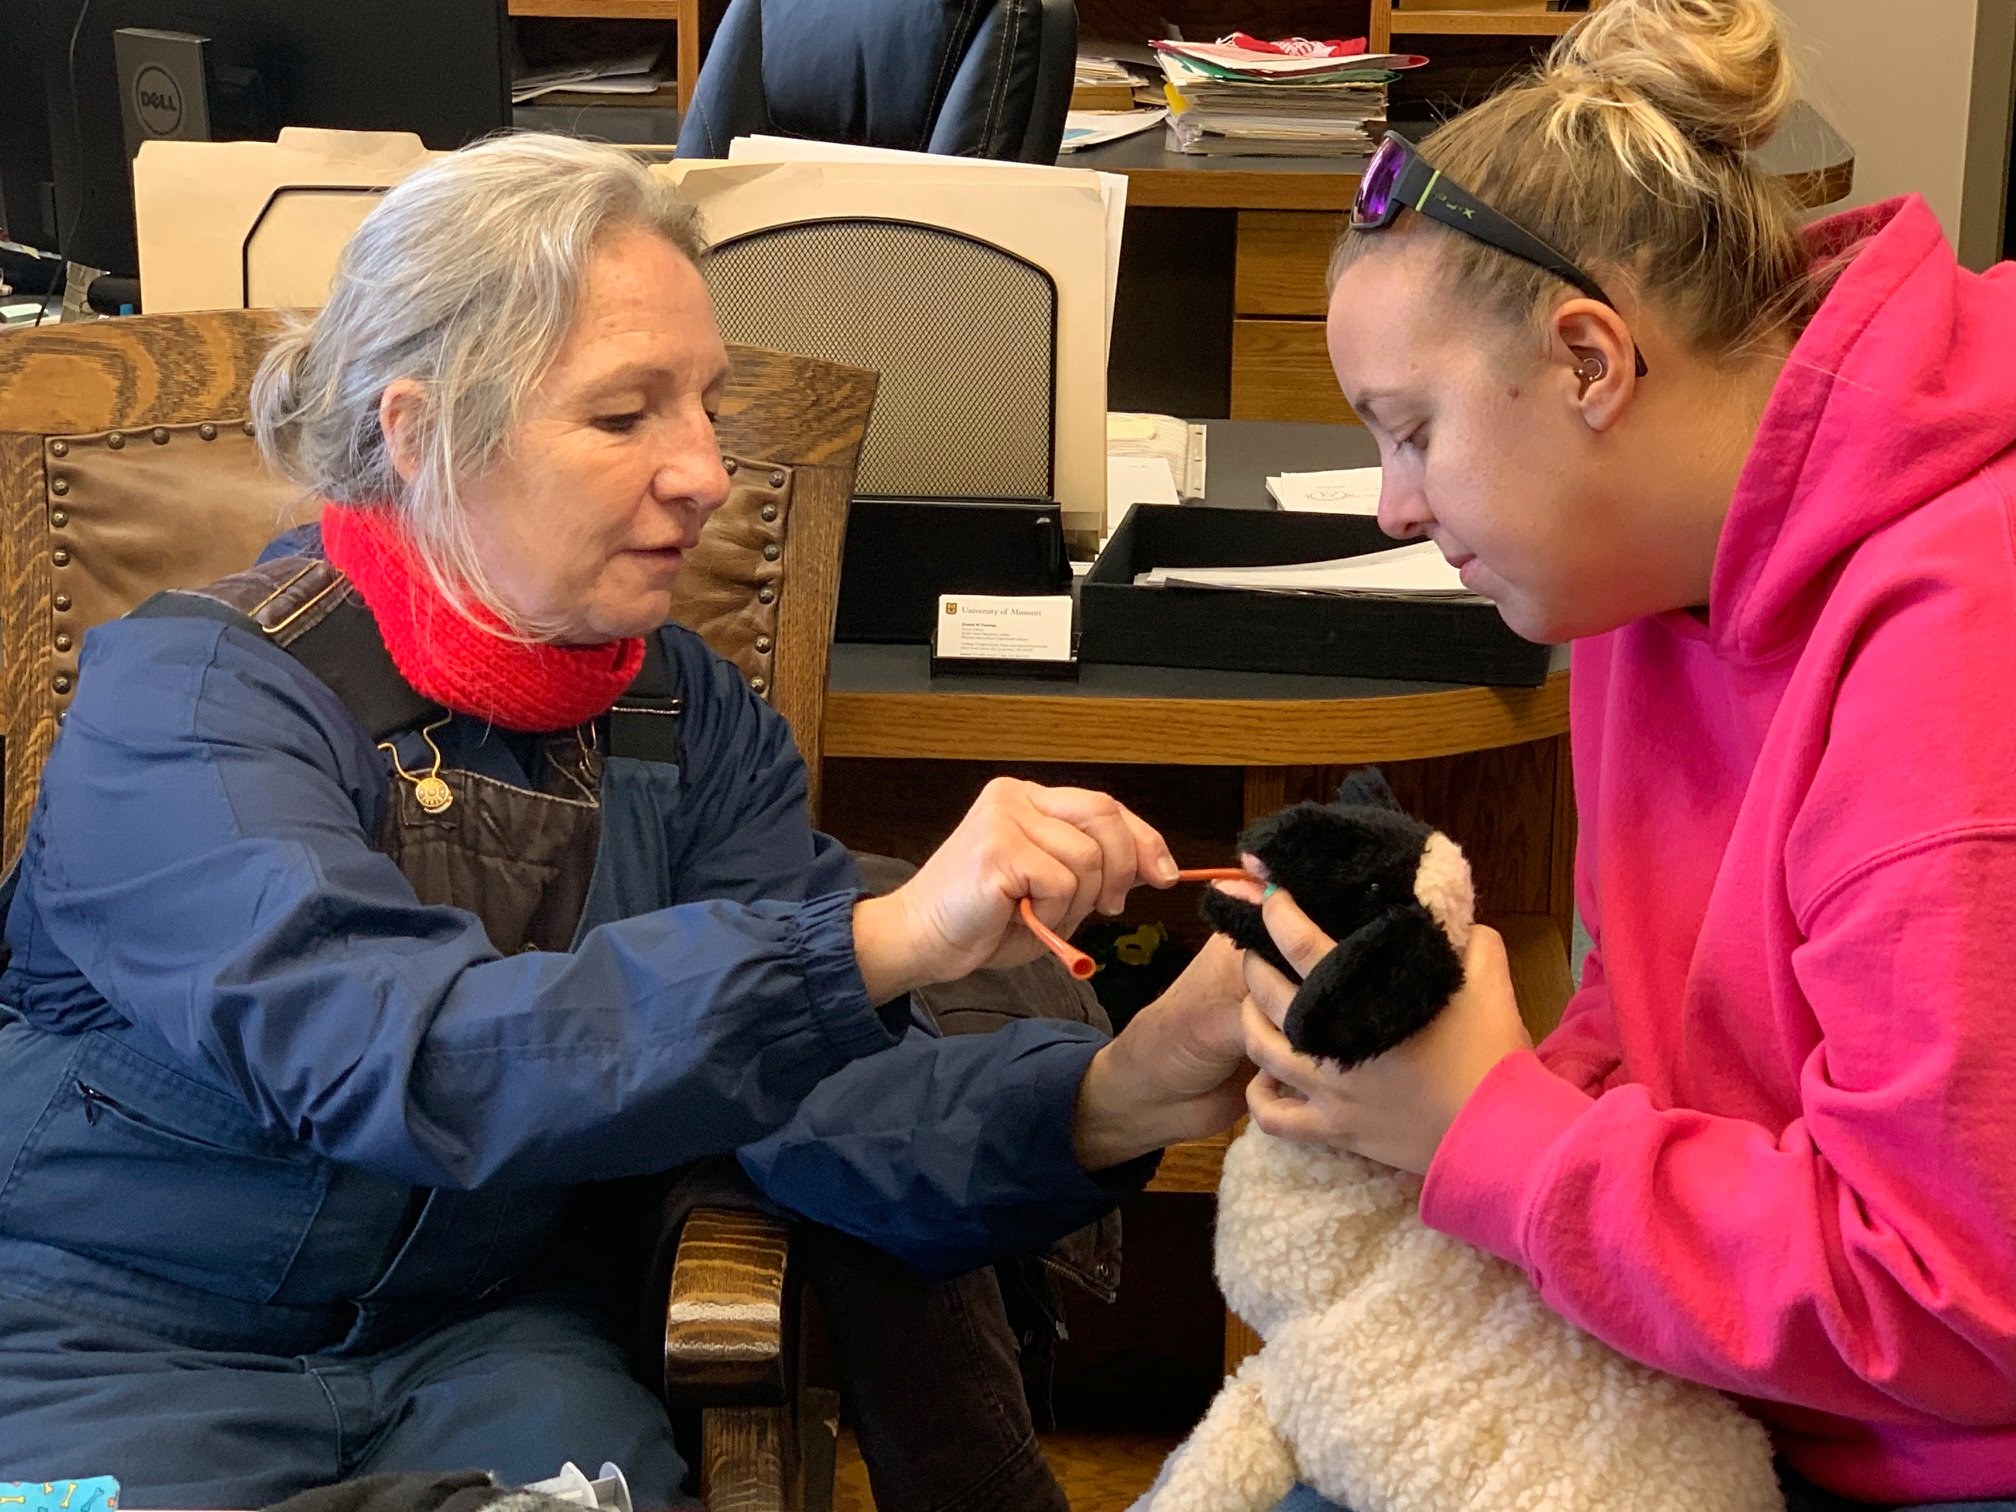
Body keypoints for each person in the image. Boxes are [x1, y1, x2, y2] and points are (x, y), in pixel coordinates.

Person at [0, 134, 1255, 1510]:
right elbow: (389, 1055)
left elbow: (820, 1103)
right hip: (106, 1341)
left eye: (705, 407)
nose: (707, 473)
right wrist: (871, 944)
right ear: (421, 437)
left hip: (489, 1337)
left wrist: (1112, 1096)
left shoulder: (685, 718)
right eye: (624, 416)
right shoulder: (187, 702)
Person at [1208, 1, 2016, 1509]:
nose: (1391, 504)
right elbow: (1667, 1027)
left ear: (1590, 359)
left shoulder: (1959, 657)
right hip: (1737, 1370)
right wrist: (1452, 1086)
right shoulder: (1644, 571)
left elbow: (1950, 1307)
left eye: (1411, 429)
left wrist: (1488, 1131)